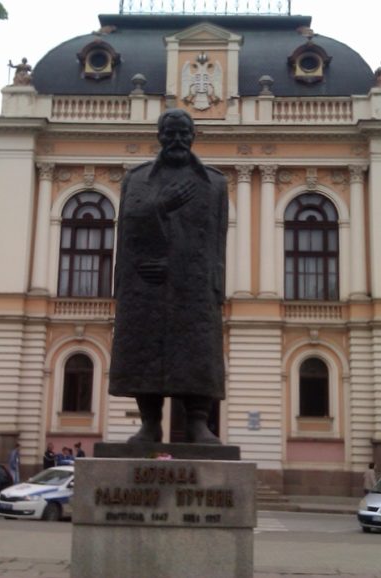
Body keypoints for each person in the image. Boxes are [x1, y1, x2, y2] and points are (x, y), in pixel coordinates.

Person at [109, 108, 228, 445]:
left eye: (183, 133)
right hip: (148, 283)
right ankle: (149, 424)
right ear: (159, 136)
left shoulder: (216, 183)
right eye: (170, 133)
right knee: (144, 352)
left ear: (193, 136)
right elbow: (127, 227)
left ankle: (198, 423)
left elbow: (218, 239)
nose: (177, 139)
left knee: (198, 354)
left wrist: (217, 286)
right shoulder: (136, 179)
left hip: (195, 286)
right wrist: (160, 206)